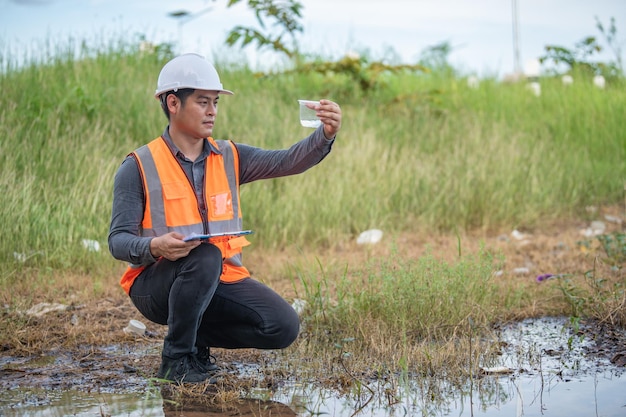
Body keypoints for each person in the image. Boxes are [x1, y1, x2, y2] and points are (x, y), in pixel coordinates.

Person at [108, 53, 342, 383]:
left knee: (282, 325)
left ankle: (196, 340)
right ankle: (176, 360)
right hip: (155, 286)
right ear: (173, 103)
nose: (212, 111)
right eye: (203, 102)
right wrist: (155, 246)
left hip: (218, 278)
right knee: (204, 256)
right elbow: (118, 242)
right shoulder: (138, 166)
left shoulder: (230, 156)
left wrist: (326, 134)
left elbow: (288, 161)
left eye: (215, 102)